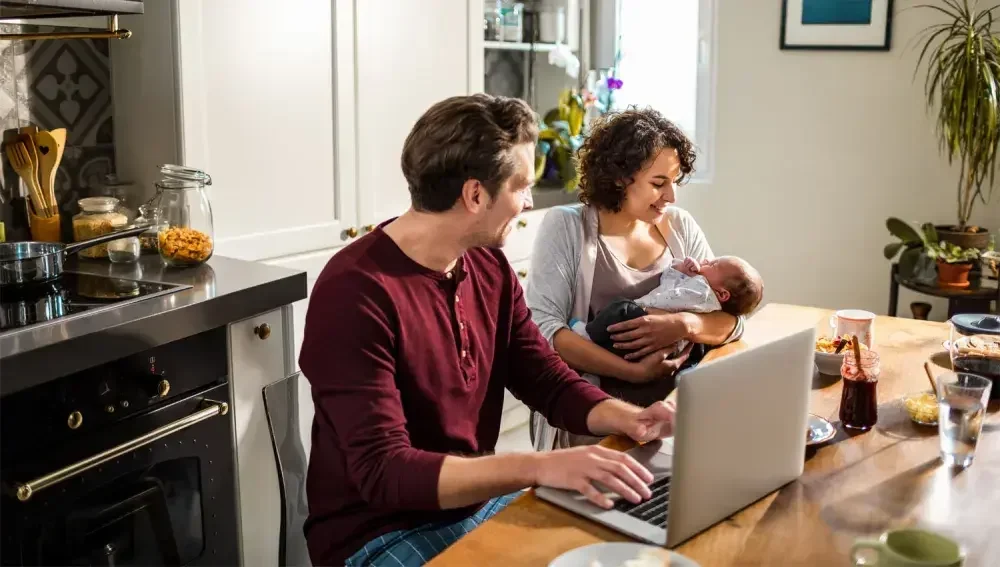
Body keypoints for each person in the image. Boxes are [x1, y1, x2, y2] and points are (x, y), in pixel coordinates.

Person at [299, 94, 680, 567]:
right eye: (521, 186)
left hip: (473, 507)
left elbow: (543, 376)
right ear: (475, 195)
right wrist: (539, 468)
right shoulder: (355, 291)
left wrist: (626, 418)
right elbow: (384, 472)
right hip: (378, 534)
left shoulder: (487, 265)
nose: (528, 202)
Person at [526, 107, 750, 451]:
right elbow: (544, 332)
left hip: (676, 412)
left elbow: (730, 320)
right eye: (659, 183)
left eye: (673, 183)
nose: (671, 197)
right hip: (597, 418)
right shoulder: (567, 227)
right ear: (619, 177)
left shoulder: (679, 226)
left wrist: (683, 324)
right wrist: (631, 372)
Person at [574, 255, 763, 356]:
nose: (705, 260)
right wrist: (681, 269)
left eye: (713, 265)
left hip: (649, 319)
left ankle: (589, 335)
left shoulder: (702, 291)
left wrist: (645, 307)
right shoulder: (706, 293)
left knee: (620, 309)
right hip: (668, 343)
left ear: (723, 294)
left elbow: (671, 297)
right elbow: (669, 282)